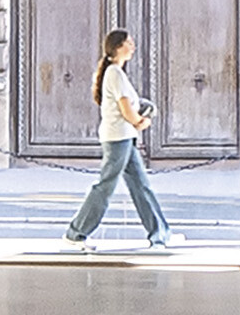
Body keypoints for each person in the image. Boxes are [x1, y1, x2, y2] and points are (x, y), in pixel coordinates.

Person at [66, 26, 173, 249]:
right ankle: (76, 234)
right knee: (105, 187)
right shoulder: (114, 73)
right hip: (118, 139)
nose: (133, 47)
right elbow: (125, 108)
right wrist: (141, 122)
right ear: (117, 47)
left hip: (124, 138)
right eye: (128, 43)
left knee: (141, 186)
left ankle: (160, 234)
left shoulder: (116, 73)